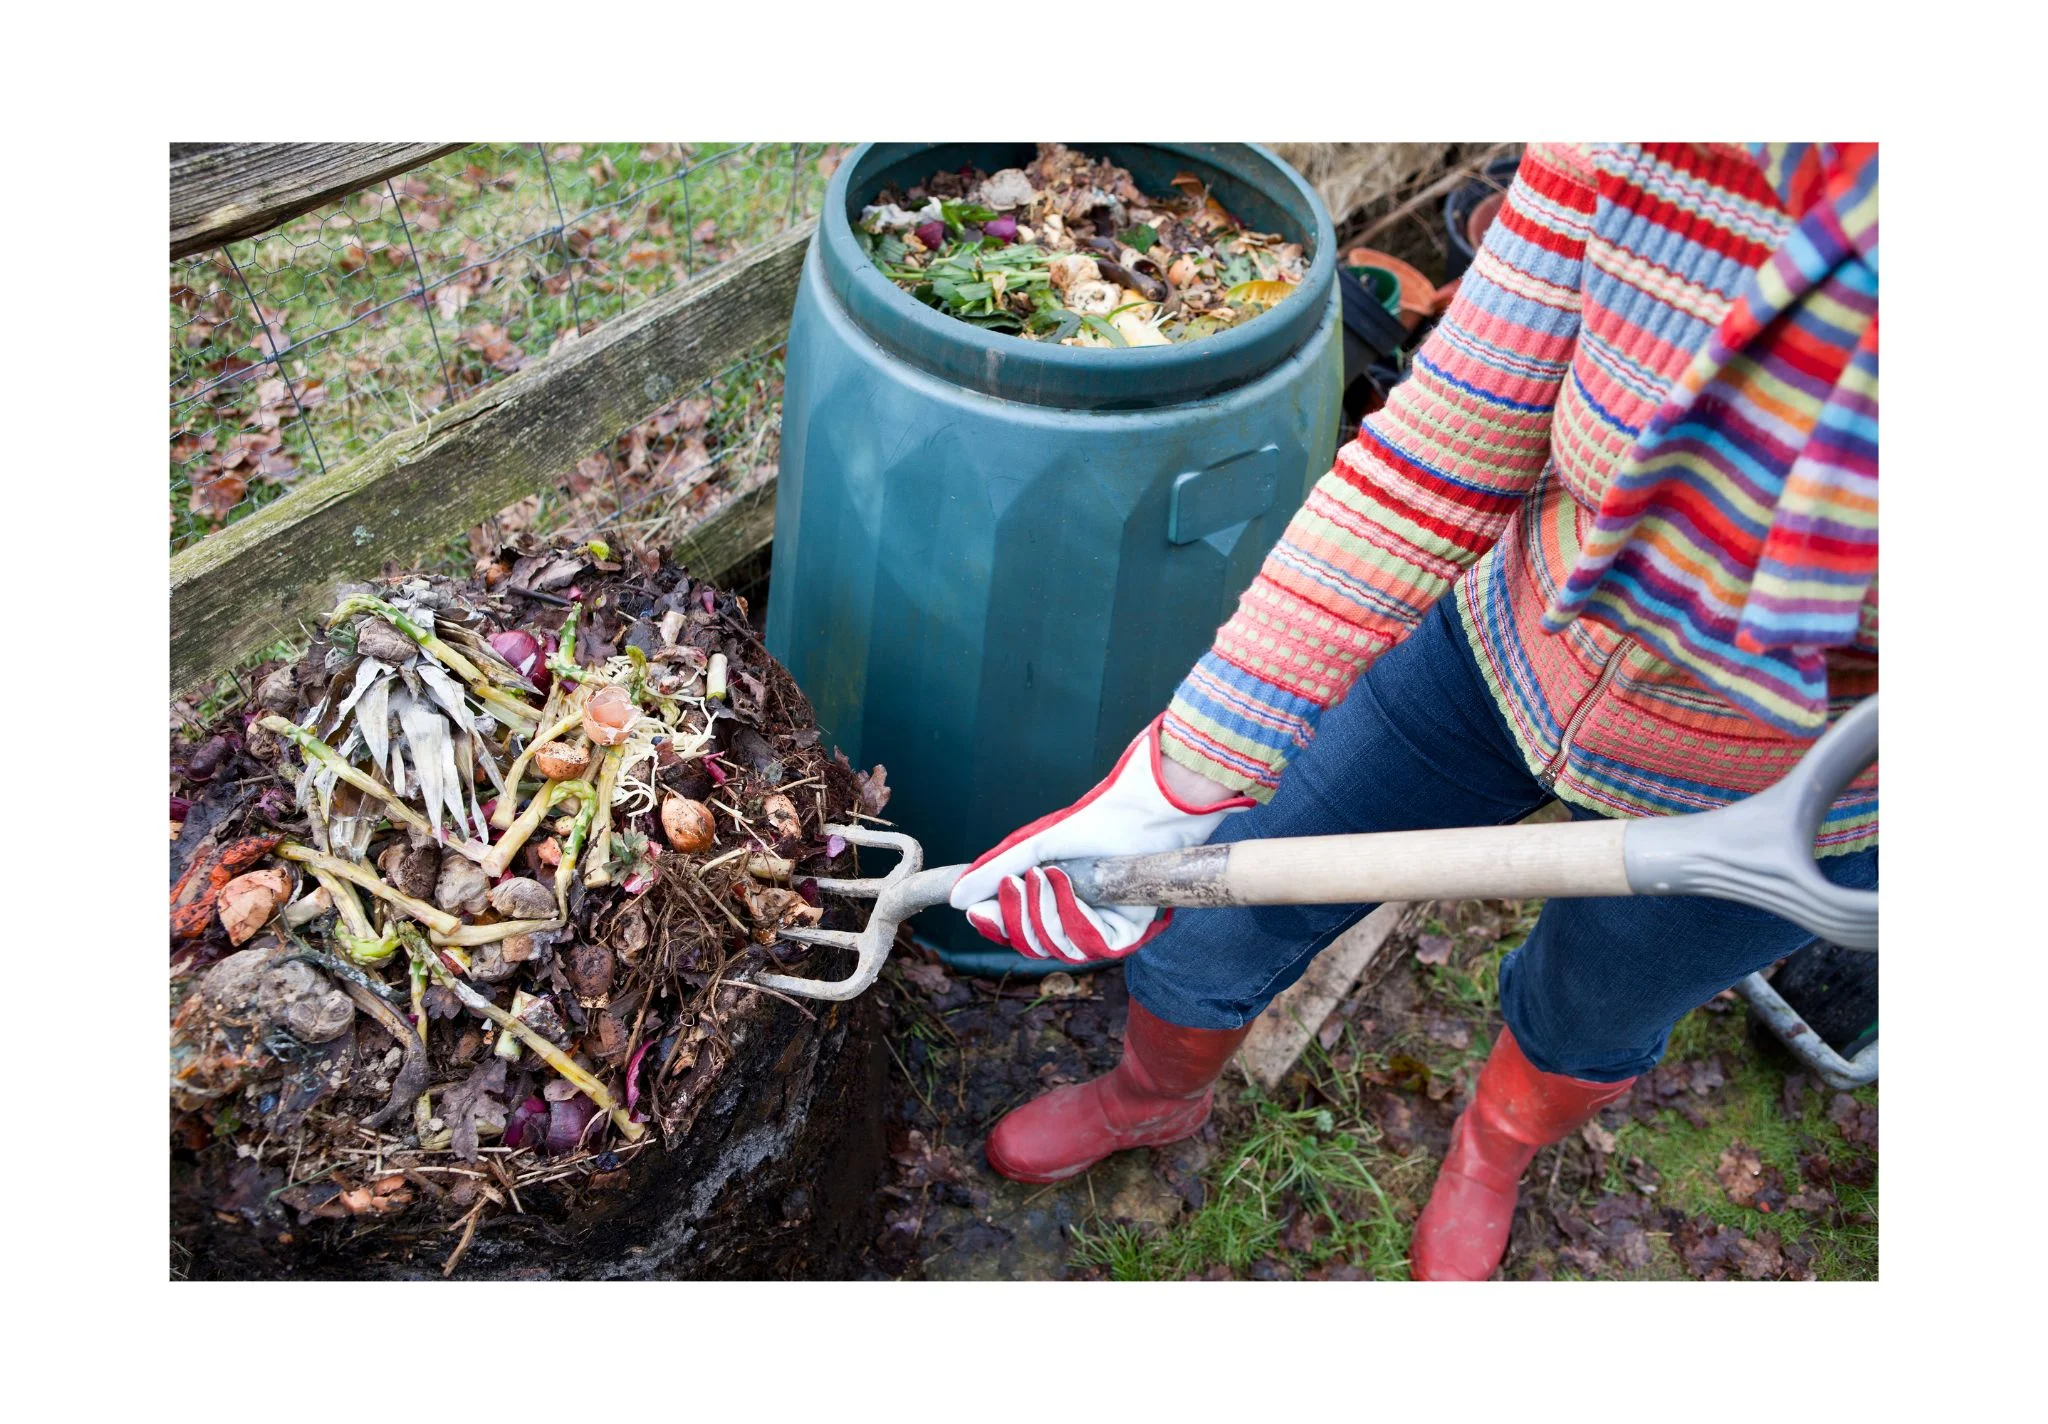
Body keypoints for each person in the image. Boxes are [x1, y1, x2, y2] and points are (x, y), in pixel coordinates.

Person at [948, 143, 1878, 1281]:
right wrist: (1178, 778)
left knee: (1590, 1013)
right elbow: (1437, 457)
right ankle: (1149, 1098)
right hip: (1504, 650)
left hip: (1789, 791)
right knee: (1220, 915)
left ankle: (1488, 1151)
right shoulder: (1653, 139)